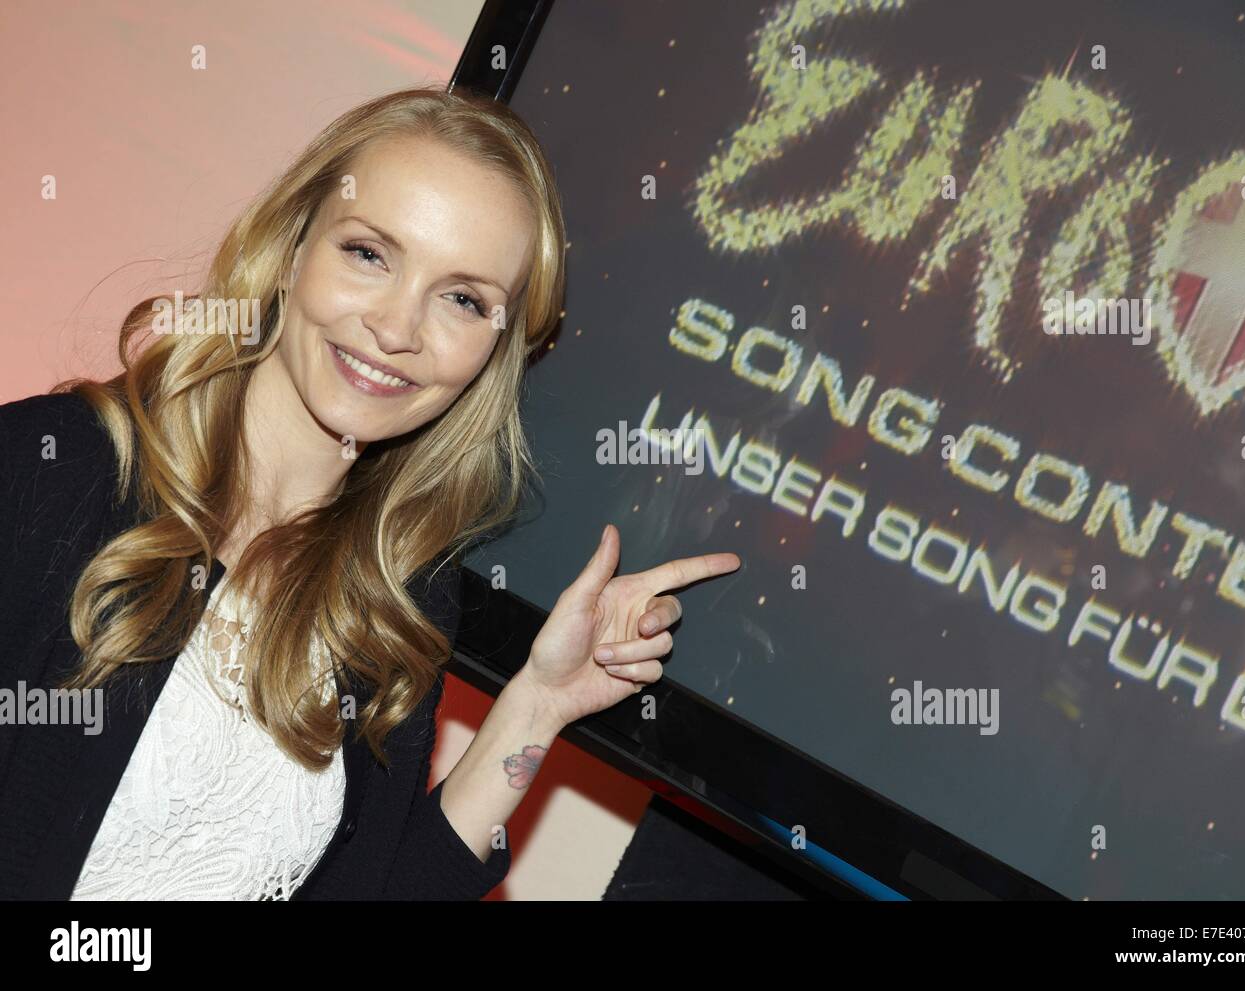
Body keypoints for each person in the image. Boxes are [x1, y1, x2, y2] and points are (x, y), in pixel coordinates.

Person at [0, 85, 740, 900]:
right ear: (291, 247)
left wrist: (538, 704)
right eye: (369, 254)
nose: (396, 328)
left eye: (462, 299)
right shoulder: (55, 471)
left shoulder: (398, 592)